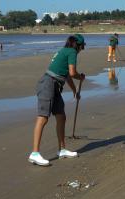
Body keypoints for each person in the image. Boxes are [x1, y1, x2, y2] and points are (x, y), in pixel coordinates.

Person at [28, 34, 86, 166]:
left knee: (61, 116)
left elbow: (66, 75)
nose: (82, 49)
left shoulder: (64, 51)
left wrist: (74, 91)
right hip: (48, 83)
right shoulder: (72, 51)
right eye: (83, 47)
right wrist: (80, 77)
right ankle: (35, 153)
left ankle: (62, 149)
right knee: (43, 117)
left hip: (55, 85)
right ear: (78, 45)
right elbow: (72, 73)